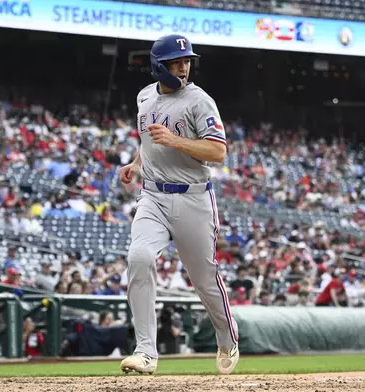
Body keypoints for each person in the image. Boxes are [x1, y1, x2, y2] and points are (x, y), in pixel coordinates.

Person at [118, 34, 238, 375]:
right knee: (139, 258)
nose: (183, 66)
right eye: (176, 61)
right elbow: (149, 143)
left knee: (204, 279)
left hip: (194, 197)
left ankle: (227, 338)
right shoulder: (144, 96)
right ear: (159, 65)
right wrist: (136, 164)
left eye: (186, 60)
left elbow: (218, 152)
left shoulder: (200, 101)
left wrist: (176, 141)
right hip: (153, 195)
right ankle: (145, 352)